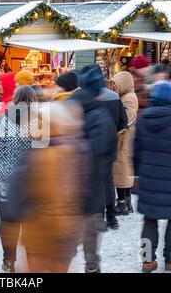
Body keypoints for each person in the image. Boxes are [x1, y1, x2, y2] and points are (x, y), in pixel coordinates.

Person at [12, 102, 89, 273]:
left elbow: (51, 203)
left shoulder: (45, 154)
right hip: (57, 237)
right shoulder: (69, 150)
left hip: (44, 236)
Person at [134, 81, 171, 273]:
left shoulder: (142, 120)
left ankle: (147, 261)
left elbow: (136, 152)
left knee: (149, 220)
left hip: (149, 179)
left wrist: (138, 173)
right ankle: (170, 259)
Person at [0, 85, 39, 273]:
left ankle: (9, 261)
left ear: (15, 99)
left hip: (5, 182)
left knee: (7, 223)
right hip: (32, 184)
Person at [70, 64, 118, 273]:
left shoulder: (65, 108)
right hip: (90, 193)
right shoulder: (102, 117)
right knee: (90, 243)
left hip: (62, 191)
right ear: (98, 91)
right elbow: (106, 158)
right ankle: (91, 269)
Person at [97, 73, 128, 230]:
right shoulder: (115, 97)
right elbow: (124, 121)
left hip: (94, 145)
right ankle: (111, 217)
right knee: (108, 180)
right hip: (111, 142)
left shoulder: (91, 97)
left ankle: (99, 217)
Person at [110, 71, 138, 216]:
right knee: (124, 168)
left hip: (123, 139)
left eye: (117, 84)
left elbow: (125, 119)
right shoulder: (127, 96)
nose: (115, 88)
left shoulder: (128, 98)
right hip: (125, 138)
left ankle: (122, 203)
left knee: (121, 169)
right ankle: (126, 201)